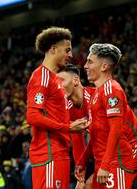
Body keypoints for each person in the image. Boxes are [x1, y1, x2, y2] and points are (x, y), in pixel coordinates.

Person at [58, 64, 137, 188]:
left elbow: (114, 132)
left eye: (61, 81)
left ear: (75, 81)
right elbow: (79, 142)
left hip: (133, 147)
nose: (57, 86)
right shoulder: (69, 109)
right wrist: (81, 169)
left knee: (99, 184)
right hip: (111, 151)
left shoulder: (98, 97)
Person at [26, 27, 89, 189]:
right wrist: (67, 127)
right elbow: (32, 116)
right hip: (48, 154)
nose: (71, 55)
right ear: (53, 50)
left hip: (59, 152)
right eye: (67, 50)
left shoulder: (55, 80)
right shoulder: (42, 77)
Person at [75, 43, 134, 189]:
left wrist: (106, 165)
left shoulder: (112, 89)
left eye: (90, 61)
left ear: (104, 66)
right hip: (102, 163)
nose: (85, 66)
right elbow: (97, 134)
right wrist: (83, 160)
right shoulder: (98, 94)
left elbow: (116, 130)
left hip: (115, 163)